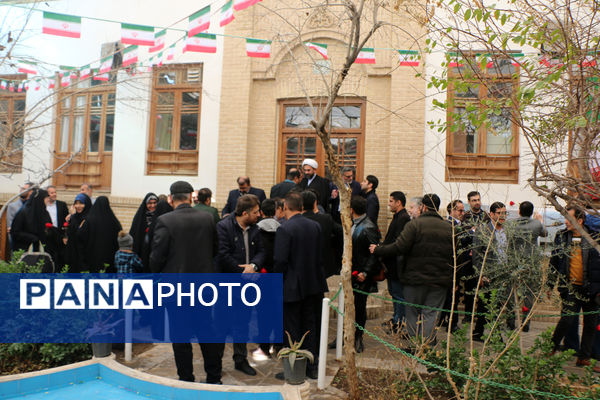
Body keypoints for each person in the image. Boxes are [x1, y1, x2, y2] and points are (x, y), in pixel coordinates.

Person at [149, 181, 224, 384]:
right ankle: (214, 378)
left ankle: (186, 379)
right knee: (207, 332)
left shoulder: (165, 220)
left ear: (171, 199)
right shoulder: (207, 218)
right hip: (203, 286)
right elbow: (215, 249)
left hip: (176, 289)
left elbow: (156, 258)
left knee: (180, 336)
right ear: (191, 197)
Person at [371, 194, 452, 342]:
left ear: (423, 207)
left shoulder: (414, 225)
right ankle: (426, 346)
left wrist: (378, 250)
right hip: (440, 280)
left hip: (415, 279)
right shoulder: (449, 228)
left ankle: (415, 346)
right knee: (431, 314)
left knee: (412, 313)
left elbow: (399, 247)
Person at [274, 192, 328, 379]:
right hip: (313, 283)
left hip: (292, 286)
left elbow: (280, 260)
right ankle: (311, 367)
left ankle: (294, 370)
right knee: (310, 325)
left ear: (285, 207)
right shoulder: (315, 226)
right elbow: (320, 255)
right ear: (302, 207)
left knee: (292, 328)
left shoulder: (285, 228)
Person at [215, 194, 264, 376]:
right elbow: (222, 254)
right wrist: (243, 272)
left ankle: (240, 360)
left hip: (247, 287)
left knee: (243, 323)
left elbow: (262, 251)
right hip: (226, 286)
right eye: (255, 212)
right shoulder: (223, 227)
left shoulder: (256, 229)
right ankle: (215, 364)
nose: (259, 215)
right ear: (245, 213)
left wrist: (254, 266)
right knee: (221, 325)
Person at [549, 205, 600, 372]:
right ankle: (551, 347)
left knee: (591, 324)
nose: (566, 221)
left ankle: (584, 357)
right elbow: (554, 261)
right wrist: (550, 284)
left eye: (569, 218)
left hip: (591, 288)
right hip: (570, 287)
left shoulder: (594, 237)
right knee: (567, 320)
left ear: (580, 220)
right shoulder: (562, 236)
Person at [471, 202, 509, 340]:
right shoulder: (483, 230)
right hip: (488, 275)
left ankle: (478, 333)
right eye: (499, 213)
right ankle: (496, 337)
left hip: (503, 274)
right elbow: (476, 255)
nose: (502, 216)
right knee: (490, 304)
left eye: (504, 213)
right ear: (492, 214)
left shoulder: (507, 230)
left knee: (487, 305)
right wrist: (480, 275)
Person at [350, 196, 381, 352]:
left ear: (351, 210)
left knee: (360, 306)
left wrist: (365, 272)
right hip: (351, 271)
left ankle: (358, 336)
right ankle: (346, 334)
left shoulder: (368, 227)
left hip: (362, 275)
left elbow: (374, 253)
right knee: (349, 304)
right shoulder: (353, 224)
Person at [381, 191, 411, 333]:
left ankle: (399, 322)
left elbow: (397, 242)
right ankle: (396, 319)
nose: (389, 204)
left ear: (399, 202)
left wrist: (381, 249)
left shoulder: (403, 218)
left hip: (397, 264)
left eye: (391, 201)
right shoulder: (398, 217)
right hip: (392, 263)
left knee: (399, 295)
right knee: (394, 293)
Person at [439, 200, 467, 332]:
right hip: (450, 268)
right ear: (452, 211)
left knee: (449, 298)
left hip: (455, 269)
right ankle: (452, 324)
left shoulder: (459, 225)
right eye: (460, 210)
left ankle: (443, 320)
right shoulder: (450, 225)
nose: (462, 213)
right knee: (452, 298)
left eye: (463, 210)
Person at [301, 190, 343, 278]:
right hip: (324, 263)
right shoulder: (326, 219)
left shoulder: (295, 222)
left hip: (303, 264)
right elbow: (341, 232)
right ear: (315, 203)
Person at [80, 196, 122, 273]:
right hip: (109, 258)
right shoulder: (113, 221)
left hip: (92, 258)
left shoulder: (89, 220)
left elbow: (81, 237)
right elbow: (119, 236)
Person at [64, 193, 92, 273]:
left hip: (83, 255)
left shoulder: (89, 218)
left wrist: (73, 217)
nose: (78, 206)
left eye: (81, 203)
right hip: (73, 254)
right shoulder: (74, 217)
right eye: (76, 203)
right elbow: (71, 233)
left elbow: (79, 234)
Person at [129, 193, 158, 261]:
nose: (152, 205)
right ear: (145, 204)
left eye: (154, 203)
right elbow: (134, 234)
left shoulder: (159, 216)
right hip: (141, 252)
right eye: (150, 203)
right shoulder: (140, 217)